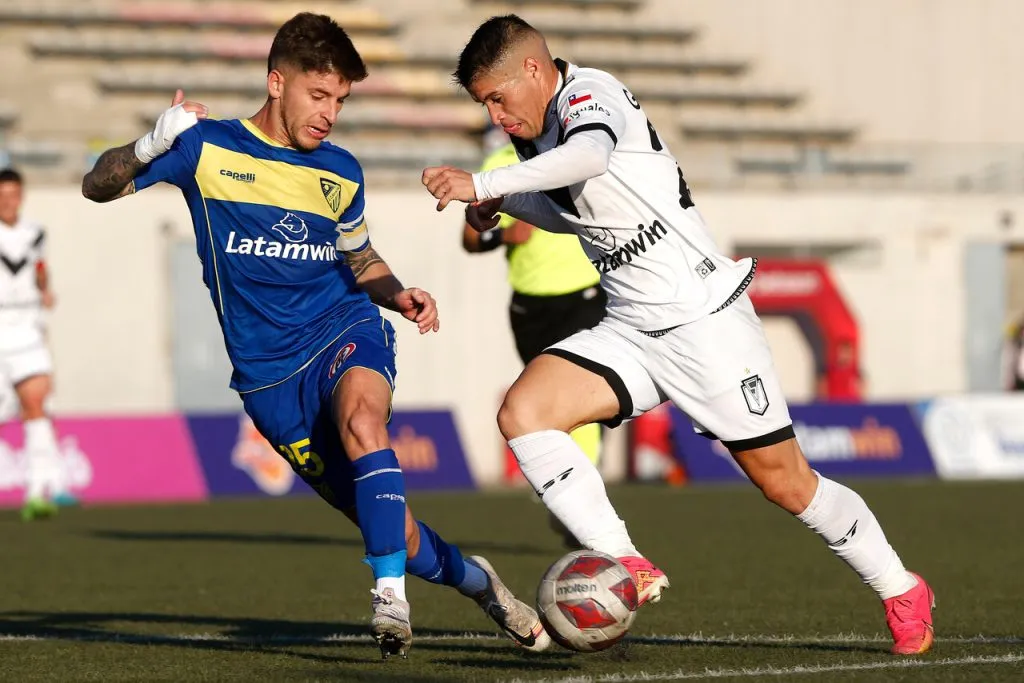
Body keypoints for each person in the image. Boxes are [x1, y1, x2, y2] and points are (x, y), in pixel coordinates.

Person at [422, 14, 935, 655]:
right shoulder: (536, 133)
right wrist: (506, 204)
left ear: (533, 68)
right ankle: (622, 559)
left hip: (705, 324)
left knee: (786, 483)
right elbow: (580, 217)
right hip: (631, 328)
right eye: (484, 105)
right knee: (524, 412)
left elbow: (591, 155)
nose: (496, 115)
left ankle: (900, 587)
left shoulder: (589, 94)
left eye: (498, 97)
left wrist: (487, 182)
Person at [82, 13, 547, 659]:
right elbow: (95, 186)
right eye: (318, 95)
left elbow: (358, 258)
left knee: (365, 424)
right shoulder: (206, 147)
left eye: (341, 101)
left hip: (343, 326)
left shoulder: (340, 171)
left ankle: (388, 597)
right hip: (269, 378)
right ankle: (480, 583)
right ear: (277, 82)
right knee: (394, 528)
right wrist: (151, 143)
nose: (330, 113)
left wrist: (397, 293)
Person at [462, 130, 604, 546]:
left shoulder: (575, 153)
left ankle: (579, 503)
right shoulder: (501, 163)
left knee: (587, 398)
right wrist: (504, 234)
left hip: (584, 295)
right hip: (530, 304)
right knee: (544, 404)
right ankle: (564, 493)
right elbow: (470, 238)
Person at [0, 168, 75, 520]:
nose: (7, 202)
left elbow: (40, 267)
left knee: (36, 404)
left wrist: (45, 289)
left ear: (22, 196)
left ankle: (37, 492)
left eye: (13, 194)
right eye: (2, 195)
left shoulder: (34, 232)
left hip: (27, 325)